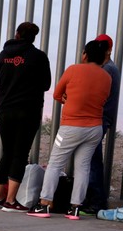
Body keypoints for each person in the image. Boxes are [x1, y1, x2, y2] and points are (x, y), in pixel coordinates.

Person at [28, 40, 112, 219]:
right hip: (95, 128)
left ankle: (44, 205)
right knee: (83, 167)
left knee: (55, 163)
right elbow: (104, 100)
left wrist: (69, 100)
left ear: (85, 55)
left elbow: (57, 94)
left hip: (70, 127)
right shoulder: (107, 77)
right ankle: (75, 208)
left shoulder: (74, 69)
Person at [0, 21, 52, 213]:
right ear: (34, 37)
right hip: (28, 111)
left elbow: (3, 77)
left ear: (16, 34)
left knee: (7, 152)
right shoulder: (39, 57)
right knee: (20, 154)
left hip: (5, 110)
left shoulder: (3, 55)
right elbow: (46, 84)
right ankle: (11, 201)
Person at [82, 34, 121, 214]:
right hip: (99, 118)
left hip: (98, 118)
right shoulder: (108, 68)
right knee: (91, 159)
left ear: (109, 49)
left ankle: (96, 201)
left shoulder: (108, 69)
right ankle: (94, 200)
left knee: (93, 160)